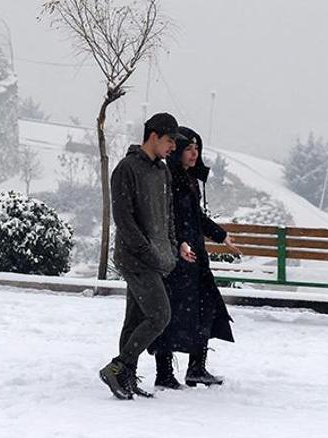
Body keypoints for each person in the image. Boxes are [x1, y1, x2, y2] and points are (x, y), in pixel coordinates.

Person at [148, 126, 242, 390]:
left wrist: (220, 235)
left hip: (195, 258)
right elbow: (168, 218)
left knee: (205, 309)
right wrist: (179, 243)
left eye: (196, 149)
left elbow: (195, 216)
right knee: (171, 313)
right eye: (188, 149)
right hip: (176, 260)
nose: (194, 154)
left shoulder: (188, 179)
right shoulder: (169, 179)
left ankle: (196, 368)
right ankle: (164, 372)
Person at [98, 112, 184, 400]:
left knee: (134, 321)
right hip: (135, 258)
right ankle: (118, 367)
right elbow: (124, 220)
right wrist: (149, 252)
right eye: (170, 140)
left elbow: (168, 214)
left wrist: (171, 247)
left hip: (157, 257)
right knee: (160, 315)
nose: (173, 147)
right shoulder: (126, 169)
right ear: (154, 136)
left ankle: (126, 378)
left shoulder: (162, 171)